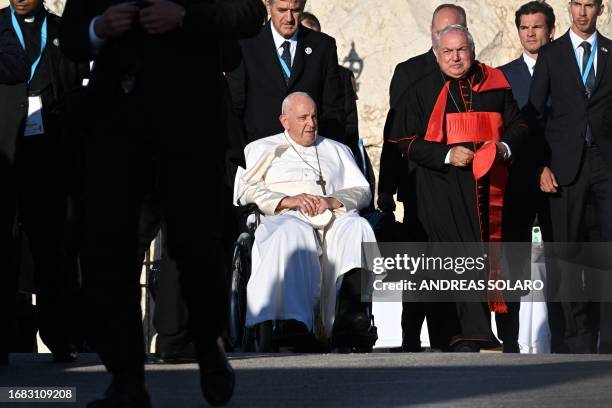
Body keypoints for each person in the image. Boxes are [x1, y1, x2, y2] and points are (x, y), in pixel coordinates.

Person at [59, 0, 266, 406]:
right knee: (110, 256)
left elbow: (249, 13)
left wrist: (187, 18)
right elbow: (70, 37)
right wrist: (99, 27)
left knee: (196, 249)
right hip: (116, 130)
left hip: (188, 128)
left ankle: (207, 344)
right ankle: (127, 378)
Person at [390, 25, 528, 352]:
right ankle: (458, 334)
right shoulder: (420, 90)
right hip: (439, 191)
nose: (455, 58)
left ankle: (482, 334)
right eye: (448, 52)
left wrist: (504, 148)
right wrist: (447, 154)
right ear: (437, 54)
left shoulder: (494, 84)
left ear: (472, 51)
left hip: (488, 189)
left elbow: (519, 125)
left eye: (461, 50)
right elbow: (403, 141)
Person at [234, 92, 377, 350]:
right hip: (285, 218)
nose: (311, 123)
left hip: (332, 219)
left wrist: (332, 200)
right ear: (284, 120)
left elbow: (362, 190)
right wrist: (289, 200)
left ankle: (351, 317)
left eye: (313, 116)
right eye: (302, 118)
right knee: (294, 233)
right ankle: (292, 323)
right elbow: (247, 190)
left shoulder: (337, 149)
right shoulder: (261, 149)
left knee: (358, 227)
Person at [0, 0, 89, 365]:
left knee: (53, 250)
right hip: (5, 153)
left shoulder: (59, 31)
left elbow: (78, 81)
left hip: (50, 155)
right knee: (3, 249)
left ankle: (59, 337)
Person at [379, 4, 467, 352]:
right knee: (418, 265)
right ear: (432, 33)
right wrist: (387, 188)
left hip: (459, 187)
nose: (447, 40)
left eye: (456, 30)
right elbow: (393, 133)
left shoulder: (472, 74)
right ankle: (410, 339)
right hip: (417, 184)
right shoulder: (409, 72)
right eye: (441, 32)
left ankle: (452, 337)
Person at [529, 0, 612, 354]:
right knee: (566, 253)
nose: (582, 12)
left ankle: (607, 338)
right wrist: (540, 166)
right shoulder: (551, 54)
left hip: (607, 165)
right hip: (563, 169)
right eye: (576, 4)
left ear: (601, 9)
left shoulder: (610, 52)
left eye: (589, 5)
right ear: (568, 7)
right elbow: (532, 116)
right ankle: (576, 338)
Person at [497, 0, 556, 353]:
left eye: (537, 27)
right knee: (512, 263)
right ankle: (509, 341)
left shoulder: (569, 71)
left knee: (563, 261)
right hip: (517, 183)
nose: (531, 33)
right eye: (524, 27)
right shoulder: (503, 77)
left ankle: (566, 339)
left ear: (551, 29)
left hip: (560, 182)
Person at [226, 0, 345, 143]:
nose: (289, 18)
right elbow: (234, 106)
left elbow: (333, 107)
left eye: (295, 11)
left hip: (311, 153)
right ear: (268, 6)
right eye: (282, 10)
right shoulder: (245, 44)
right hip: (260, 153)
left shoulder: (323, 46)